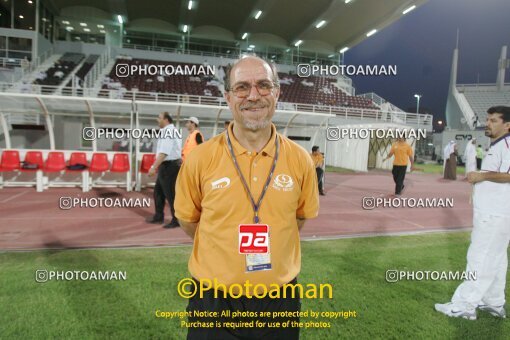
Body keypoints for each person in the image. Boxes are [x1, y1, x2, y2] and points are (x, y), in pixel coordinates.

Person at [175, 55, 319, 340]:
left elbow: (299, 218)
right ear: (228, 97)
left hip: (280, 302)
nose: (254, 95)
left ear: (277, 92)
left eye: (264, 85)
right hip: (213, 301)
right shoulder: (199, 159)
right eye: (242, 87)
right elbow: (190, 222)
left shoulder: (301, 160)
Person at [435, 105, 510, 320]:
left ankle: (464, 305)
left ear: (507, 125)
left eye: (494, 120)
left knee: (480, 257)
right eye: (488, 119)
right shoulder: (497, 144)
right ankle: (494, 303)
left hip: (495, 213)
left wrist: (481, 176)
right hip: (495, 211)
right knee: (496, 258)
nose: (488, 123)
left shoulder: (507, 144)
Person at [146, 112, 182, 229]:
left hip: (170, 166)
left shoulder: (168, 131)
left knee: (171, 194)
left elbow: (164, 152)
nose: (157, 120)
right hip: (167, 166)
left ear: (166, 119)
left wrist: (153, 167)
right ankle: (159, 216)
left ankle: (177, 220)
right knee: (158, 192)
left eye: (159, 117)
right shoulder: (169, 130)